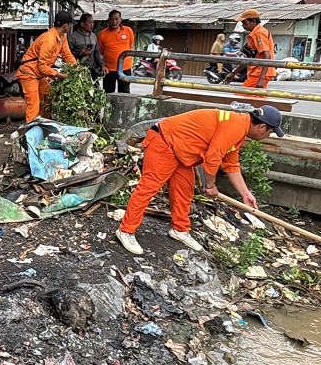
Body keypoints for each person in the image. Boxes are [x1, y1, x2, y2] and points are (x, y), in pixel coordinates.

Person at [115, 106, 285, 255]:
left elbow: (231, 164)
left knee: (184, 190)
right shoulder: (236, 127)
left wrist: (245, 194)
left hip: (180, 150)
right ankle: (126, 230)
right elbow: (212, 159)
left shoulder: (239, 129)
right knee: (148, 188)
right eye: (270, 132)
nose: (268, 135)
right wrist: (210, 186)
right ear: (262, 127)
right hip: (164, 142)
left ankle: (179, 229)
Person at [16, 10, 77, 122]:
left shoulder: (61, 37)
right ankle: (30, 132)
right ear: (65, 26)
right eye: (69, 24)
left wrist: (76, 68)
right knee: (33, 104)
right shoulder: (49, 39)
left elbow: (67, 54)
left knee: (48, 96)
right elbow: (42, 66)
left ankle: (44, 124)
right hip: (28, 73)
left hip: (37, 74)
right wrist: (59, 75)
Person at [224, 9, 276, 89]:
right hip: (256, 72)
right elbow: (248, 58)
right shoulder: (254, 34)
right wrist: (233, 73)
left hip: (259, 73)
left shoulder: (259, 33)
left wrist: (261, 78)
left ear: (253, 21)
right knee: (255, 99)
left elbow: (267, 56)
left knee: (242, 96)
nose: (243, 25)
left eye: (245, 23)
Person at [97, 10, 135, 94]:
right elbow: (100, 51)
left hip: (125, 67)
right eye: (111, 19)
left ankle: (123, 107)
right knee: (108, 93)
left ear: (120, 20)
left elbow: (130, 44)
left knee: (124, 92)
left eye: (116, 19)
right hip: (109, 69)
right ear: (108, 20)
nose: (114, 22)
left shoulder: (128, 31)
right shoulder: (102, 34)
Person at [68, 13, 104, 78]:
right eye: (89, 22)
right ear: (82, 24)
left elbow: (97, 53)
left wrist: (102, 66)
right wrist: (80, 54)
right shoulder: (73, 37)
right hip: (78, 70)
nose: (92, 25)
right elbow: (68, 54)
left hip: (92, 69)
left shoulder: (93, 36)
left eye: (93, 22)